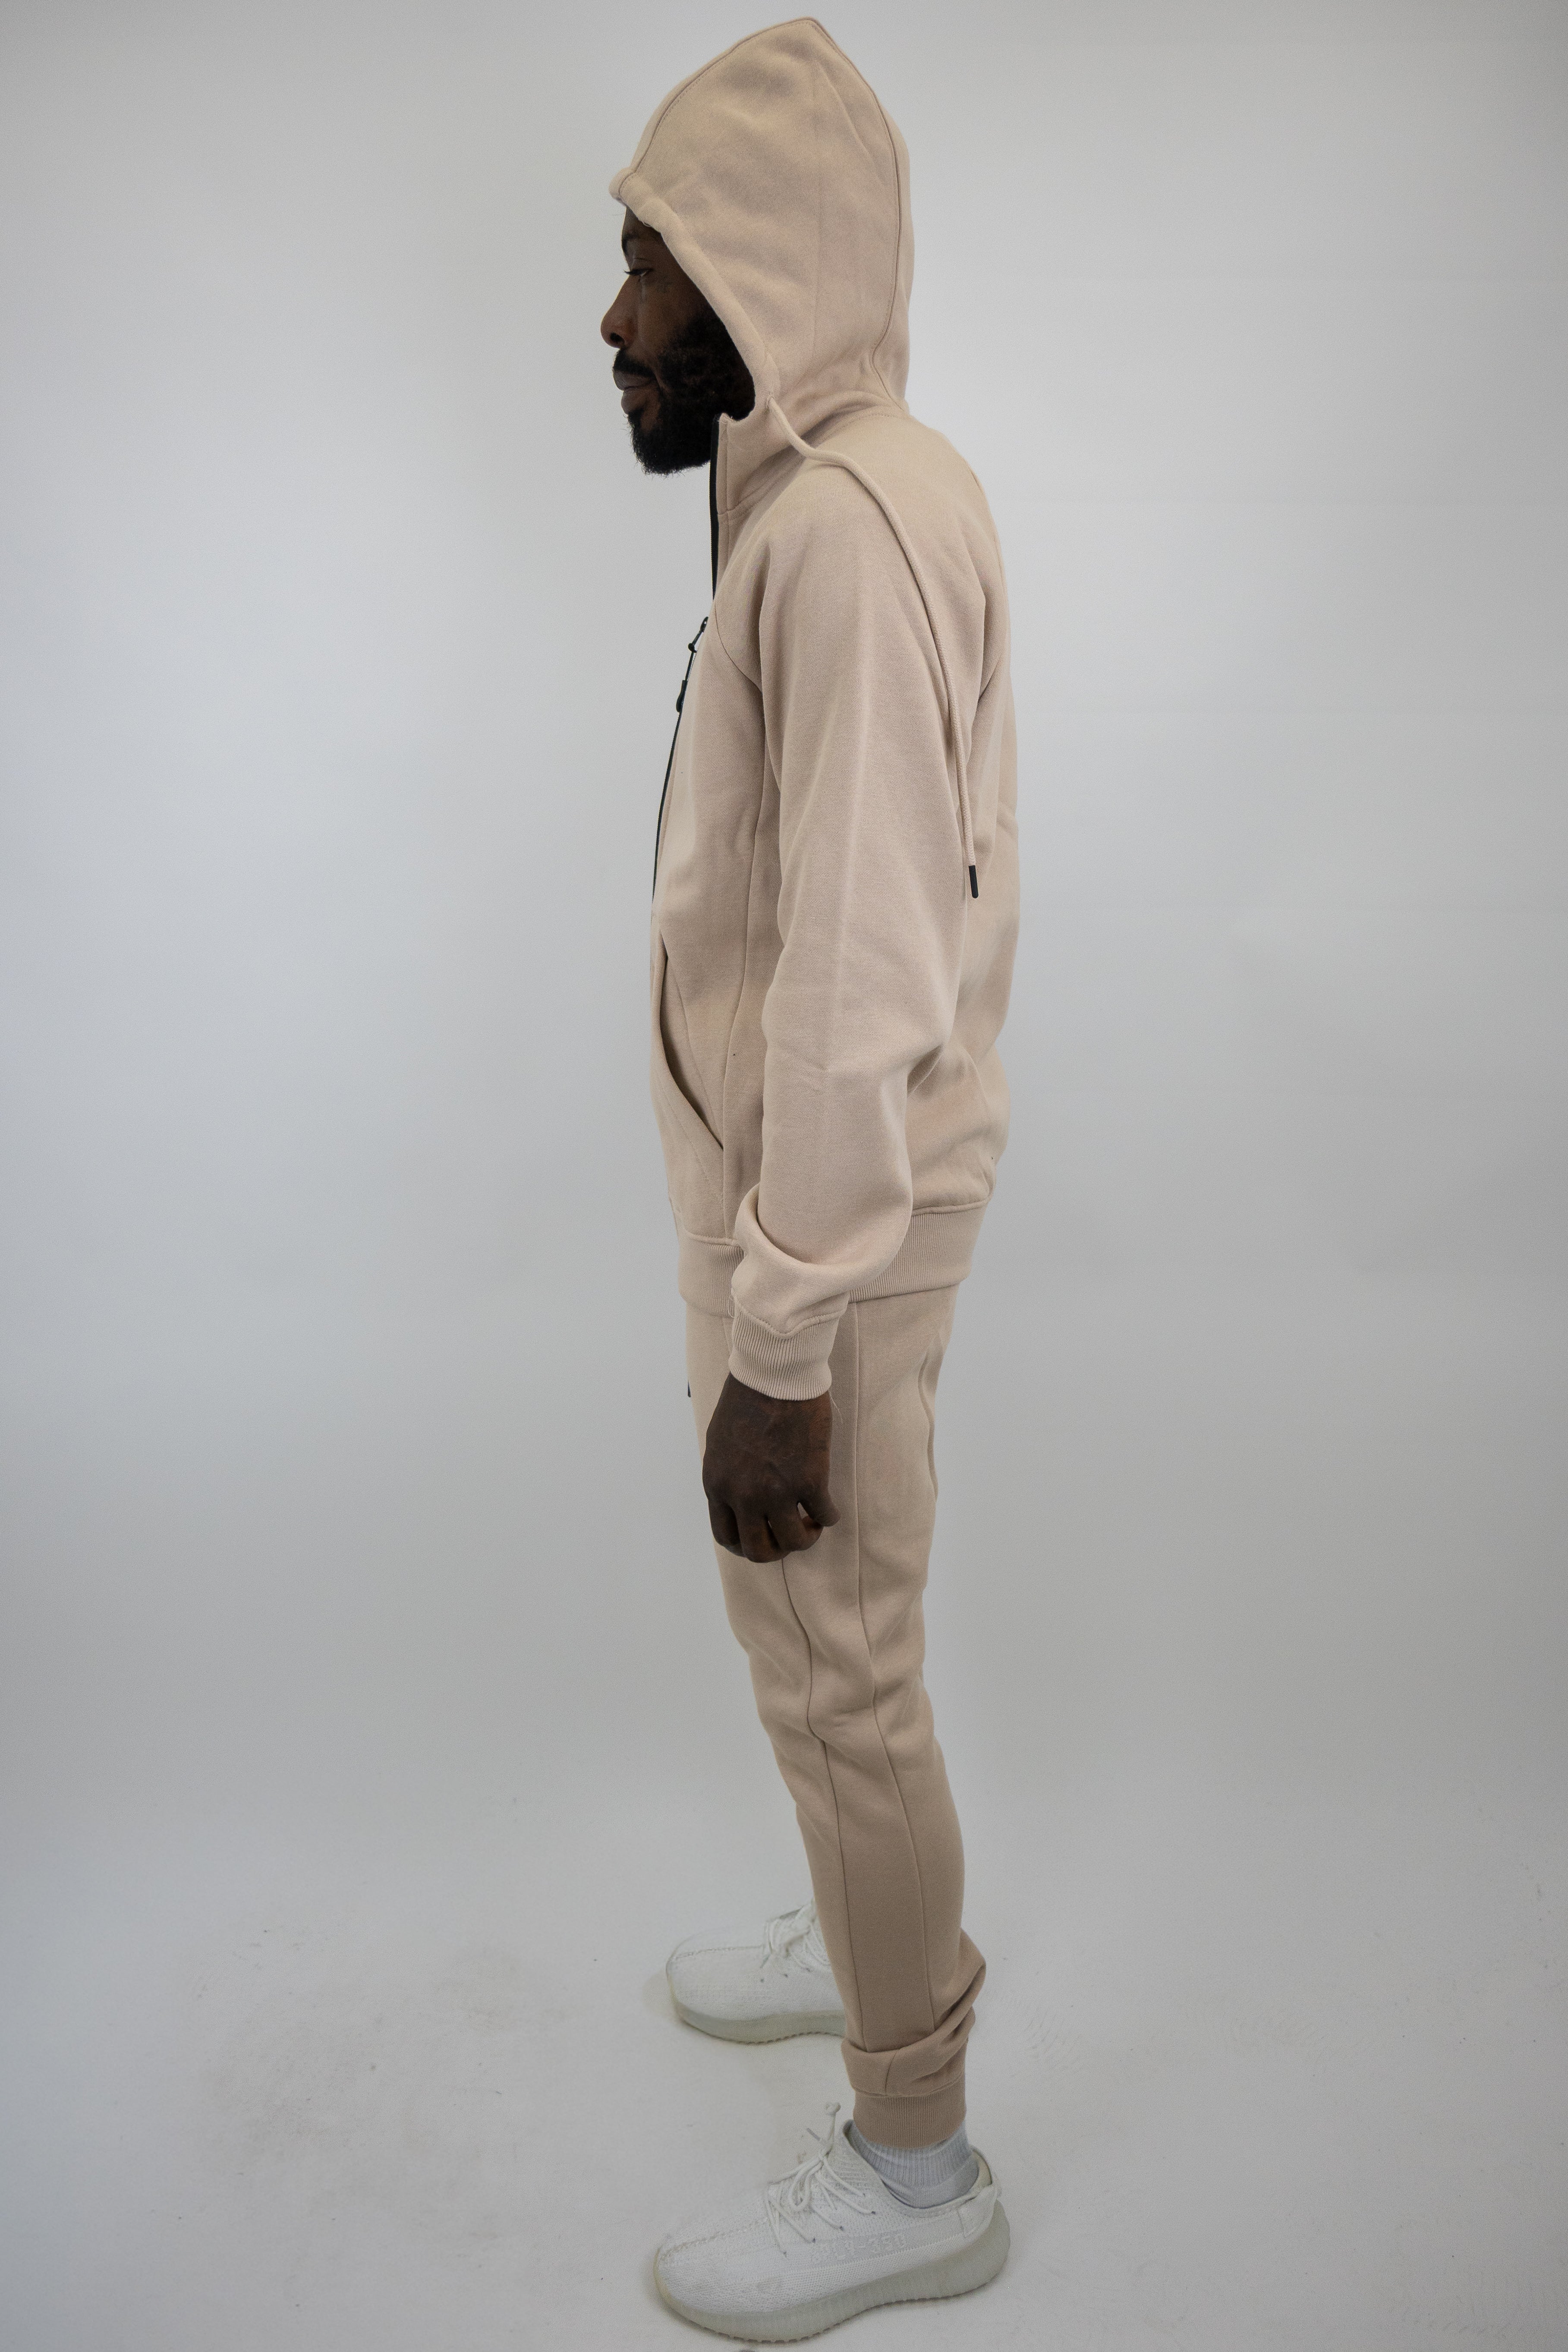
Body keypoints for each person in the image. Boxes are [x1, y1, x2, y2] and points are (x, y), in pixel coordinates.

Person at [599, 19, 1019, 2339]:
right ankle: (862, 1933)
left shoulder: (841, 540)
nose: (617, 316)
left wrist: (779, 1338)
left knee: (842, 1677)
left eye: (657, 260)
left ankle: (913, 2153)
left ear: (764, 266)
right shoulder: (859, 484)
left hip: (819, 1230)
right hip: (826, 1199)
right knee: (820, 1666)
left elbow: (861, 971)